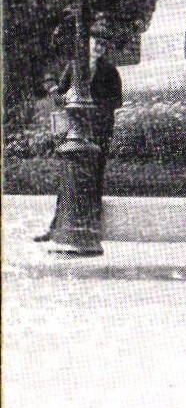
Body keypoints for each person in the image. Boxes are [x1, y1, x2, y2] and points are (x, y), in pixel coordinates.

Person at [34, 16, 123, 241]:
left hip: (98, 133)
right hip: (75, 132)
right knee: (67, 180)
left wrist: (91, 109)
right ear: (88, 42)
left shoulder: (111, 71)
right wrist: (57, 92)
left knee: (95, 180)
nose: (99, 47)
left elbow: (115, 102)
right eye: (96, 41)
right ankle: (55, 227)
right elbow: (61, 93)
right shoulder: (75, 66)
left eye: (104, 44)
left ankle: (91, 228)